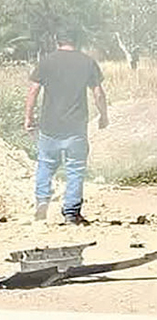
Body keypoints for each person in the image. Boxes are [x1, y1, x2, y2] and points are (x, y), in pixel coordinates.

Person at [25, 35, 108, 225]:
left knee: (45, 164)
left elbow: (33, 91)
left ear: (56, 40)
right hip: (76, 127)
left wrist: (28, 117)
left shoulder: (46, 61)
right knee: (75, 169)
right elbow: (98, 93)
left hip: (49, 126)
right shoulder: (87, 62)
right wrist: (104, 116)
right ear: (76, 40)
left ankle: (42, 202)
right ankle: (71, 213)